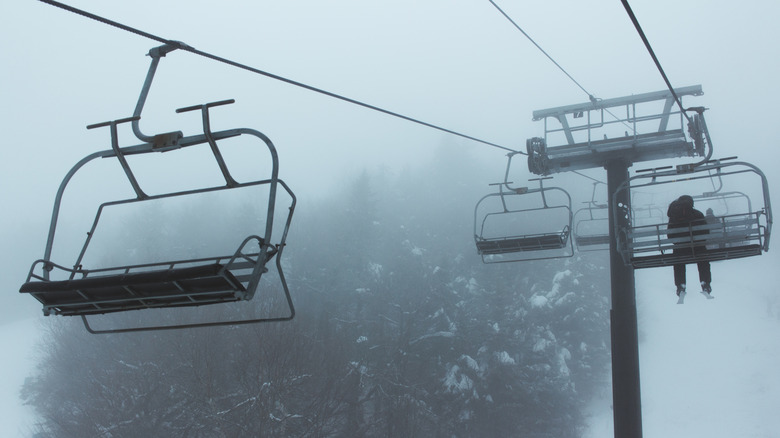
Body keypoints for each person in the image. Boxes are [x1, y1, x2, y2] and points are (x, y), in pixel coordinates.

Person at [666, 195, 712, 303]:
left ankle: (680, 285)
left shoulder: (673, 216)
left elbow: (670, 235)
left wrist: (680, 241)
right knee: (703, 260)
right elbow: (706, 232)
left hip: (680, 248)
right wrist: (698, 240)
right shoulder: (697, 214)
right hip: (698, 247)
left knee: (678, 262)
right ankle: (705, 283)